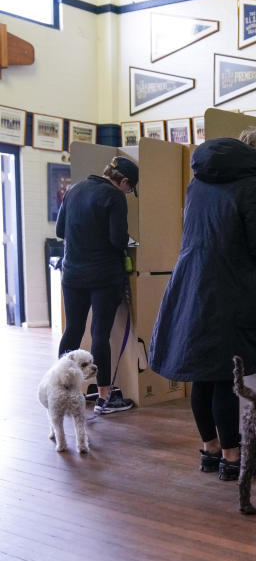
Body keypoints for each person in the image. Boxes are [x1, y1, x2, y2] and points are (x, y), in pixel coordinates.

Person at [149, 127, 256, 481]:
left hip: (191, 282)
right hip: (230, 287)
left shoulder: (199, 179)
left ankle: (210, 449)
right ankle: (234, 458)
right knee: (225, 377)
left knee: (202, 373)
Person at [56, 156, 139, 416]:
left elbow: (60, 231)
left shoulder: (74, 189)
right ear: (123, 181)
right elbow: (117, 239)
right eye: (130, 187)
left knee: (73, 330)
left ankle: (62, 389)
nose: (128, 192)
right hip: (103, 276)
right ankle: (105, 397)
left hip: (72, 275)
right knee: (100, 333)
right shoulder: (114, 197)